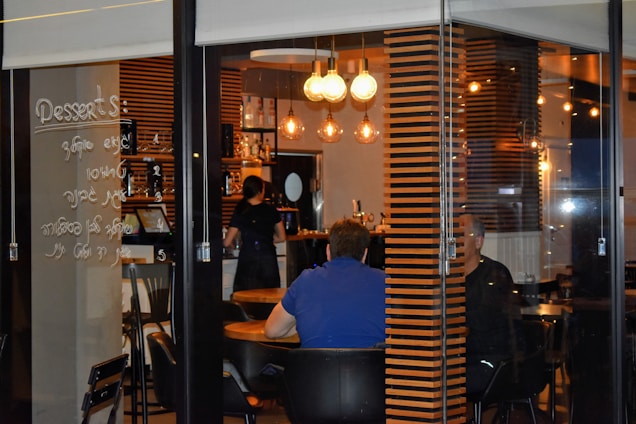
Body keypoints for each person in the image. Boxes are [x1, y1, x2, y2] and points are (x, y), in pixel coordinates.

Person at [264, 218, 386, 348]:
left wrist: (303, 322)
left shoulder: (306, 280)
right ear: (365, 254)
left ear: (328, 251)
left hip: (316, 362)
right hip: (371, 361)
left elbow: (272, 330)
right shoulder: (385, 282)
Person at [461, 214, 525, 396]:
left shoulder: (495, 275)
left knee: (440, 382)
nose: (453, 241)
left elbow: (482, 320)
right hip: (462, 358)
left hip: (495, 361)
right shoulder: (448, 276)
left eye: (460, 235)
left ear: (478, 241)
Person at [223, 175, 286, 292]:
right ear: (259, 191)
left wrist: (234, 245)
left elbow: (227, 242)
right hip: (268, 260)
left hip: (248, 259)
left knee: (246, 297)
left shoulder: (241, 210)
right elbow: (282, 237)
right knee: (269, 296)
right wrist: (265, 239)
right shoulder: (271, 210)